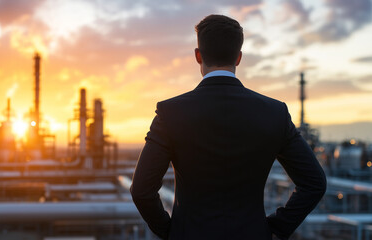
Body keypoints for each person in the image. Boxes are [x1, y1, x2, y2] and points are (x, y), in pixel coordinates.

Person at [130, 14, 326, 240]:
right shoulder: (274, 112)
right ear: (239, 57)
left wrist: (171, 231)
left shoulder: (170, 113)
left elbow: (141, 190)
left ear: (198, 55)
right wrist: (275, 228)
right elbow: (315, 183)